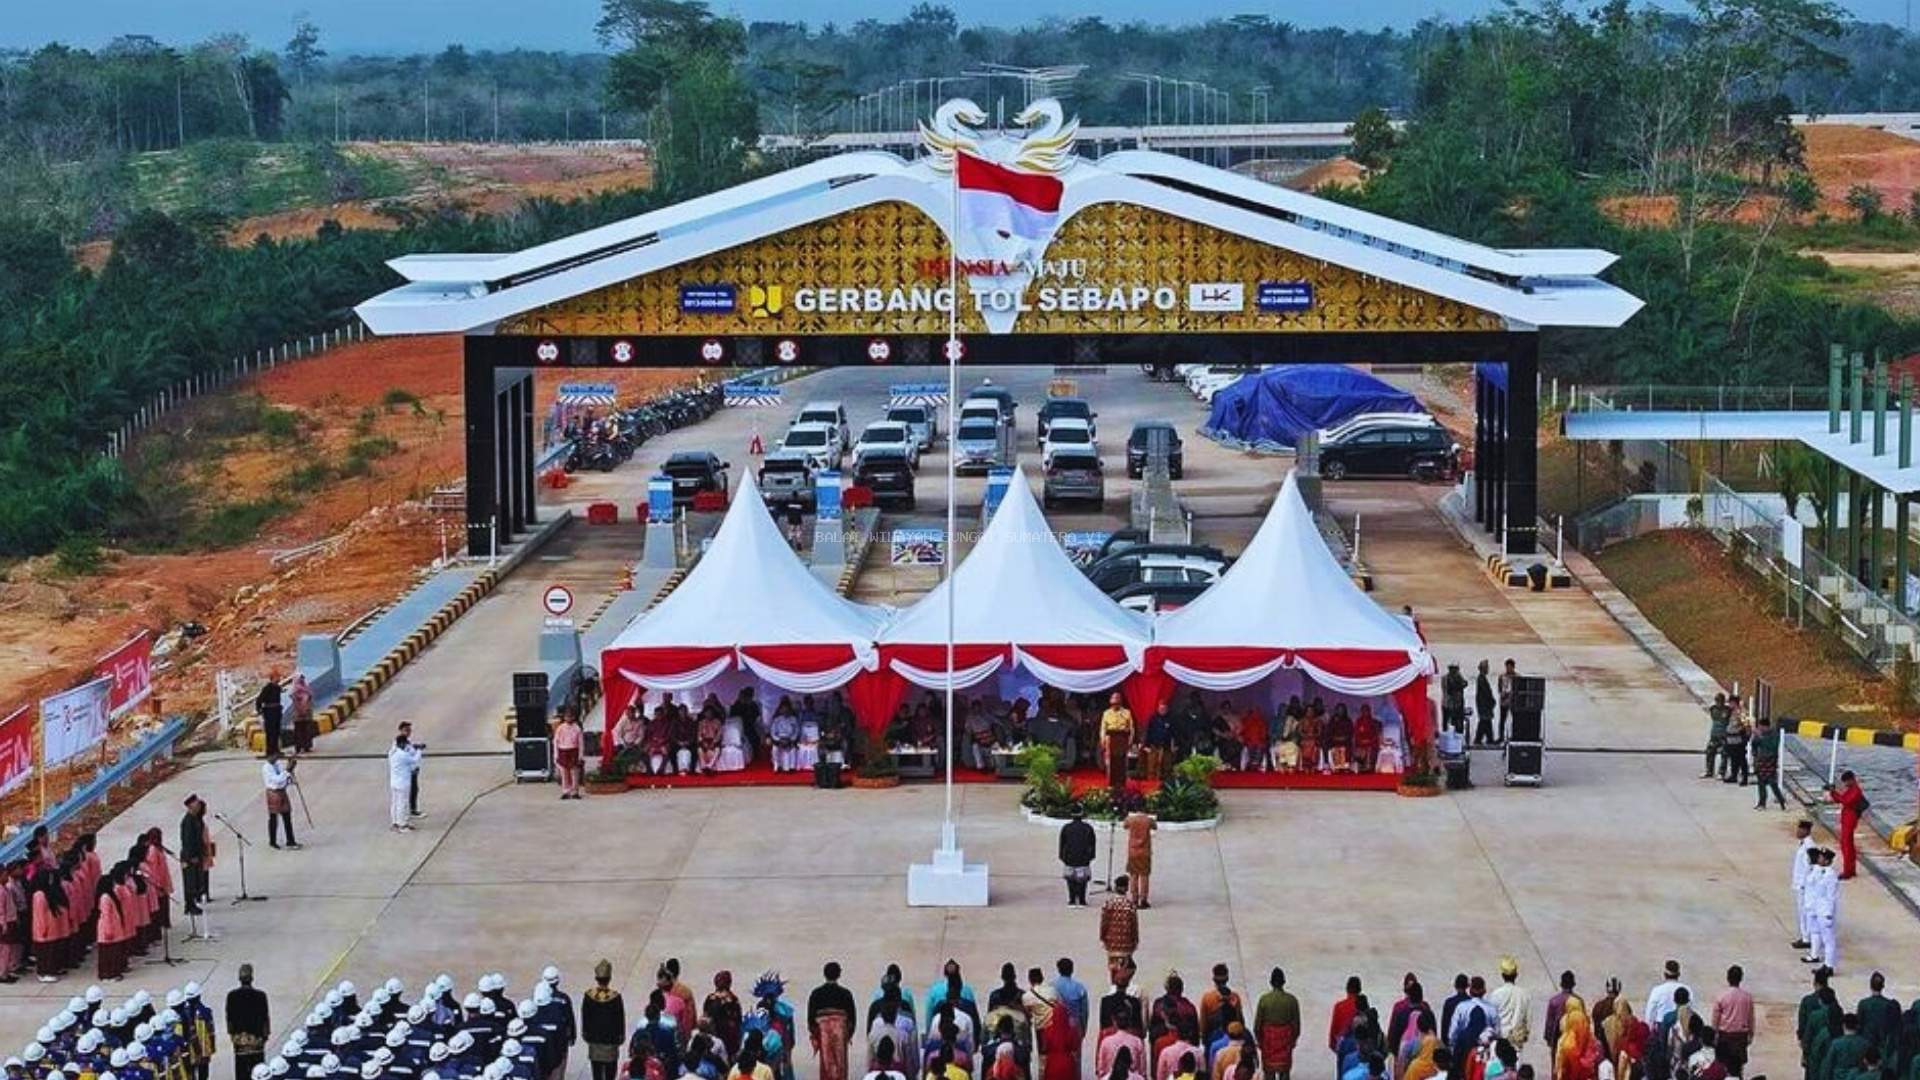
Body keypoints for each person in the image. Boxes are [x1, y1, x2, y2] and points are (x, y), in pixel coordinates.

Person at [809, 963, 858, 1080]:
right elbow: (852, 1019)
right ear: (839, 974)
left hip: (823, 1034)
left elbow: (811, 1020)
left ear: (824, 974)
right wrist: (847, 1035)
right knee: (841, 1065)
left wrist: (817, 1035)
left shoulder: (816, 994)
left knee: (826, 1065)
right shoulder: (846, 994)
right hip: (841, 1033)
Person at [1253, 969, 1299, 1080]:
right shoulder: (1291, 1000)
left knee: (1269, 1073)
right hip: (1285, 1041)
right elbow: (1296, 1025)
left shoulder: (1264, 1000)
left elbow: (1257, 1025)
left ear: (1271, 982)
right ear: (1284, 982)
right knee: (1284, 1073)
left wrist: (1260, 1041)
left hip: (1269, 1042)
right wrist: (1292, 1041)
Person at [227, 963, 269, 1080]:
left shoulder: (232, 996)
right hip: (257, 1041)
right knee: (258, 1072)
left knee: (241, 1071)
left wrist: (234, 1037)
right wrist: (264, 1037)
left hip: (240, 1041)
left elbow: (229, 1020)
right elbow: (265, 1019)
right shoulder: (261, 996)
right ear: (252, 978)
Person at [1710, 967, 1752, 1078]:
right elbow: (1750, 1017)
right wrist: (1751, 1034)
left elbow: (1715, 1019)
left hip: (1725, 1035)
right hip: (1740, 1036)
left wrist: (1714, 1035)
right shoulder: (1747, 997)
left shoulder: (1721, 996)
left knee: (1723, 1066)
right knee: (1739, 1068)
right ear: (1741, 978)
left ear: (1728, 978)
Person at [1805, 848, 1841, 971]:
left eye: (1821, 857)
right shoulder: (1820, 872)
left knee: (1828, 940)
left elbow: (1831, 897)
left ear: (1827, 861)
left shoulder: (1830, 876)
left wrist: (1829, 914)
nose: (1818, 859)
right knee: (1819, 934)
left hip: (1825, 912)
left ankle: (1829, 965)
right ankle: (1823, 962)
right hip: (1818, 909)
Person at [1489, 958, 1532, 1057]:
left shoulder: (1496, 994)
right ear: (1516, 975)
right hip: (1516, 1040)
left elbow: (1491, 1018)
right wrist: (1525, 1035)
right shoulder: (1524, 994)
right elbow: (1528, 1018)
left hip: (1500, 1039)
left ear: (1502, 976)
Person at [1828, 771, 1867, 880]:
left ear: (1851, 779)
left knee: (1846, 846)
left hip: (1850, 819)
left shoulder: (1856, 790)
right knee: (1848, 845)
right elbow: (1841, 799)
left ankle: (1847, 871)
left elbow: (1845, 801)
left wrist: (1834, 793)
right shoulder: (1852, 789)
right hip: (1847, 819)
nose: (1845, 784)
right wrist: (1833, 793)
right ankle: (1851, 869)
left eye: (1846, 781)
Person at [179, 795, 210, 927]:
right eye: (196, 804)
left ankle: (193, 902)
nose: (198, 806)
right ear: (191, 806)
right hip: (190, 856)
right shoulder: (187, 821)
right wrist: (191, 856)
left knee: (196, 880)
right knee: (190, 881)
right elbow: (187, 841)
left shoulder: (196, 819)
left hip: (197, 854)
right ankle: (189, 905)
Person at [1544, 973, 1582, 1075]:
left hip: (1557, 1041)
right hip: (1575, 1043)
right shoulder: (1578, 1001)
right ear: (1573, 985)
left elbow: (1549, 1024)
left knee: (1557, 1070)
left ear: (1561, 984)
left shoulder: (1554, 1001)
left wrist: (1549, 1040)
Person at [1100, 876, 1140, 968]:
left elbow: (1104, 923)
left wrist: (1103, 937)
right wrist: (1135, 940)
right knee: (1125, 968)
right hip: (1126, 942)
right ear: (1127, 888)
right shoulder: (1130, 905)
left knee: (1113, 967)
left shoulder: (1108, 904)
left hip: (1112, 941)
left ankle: (1114, 981)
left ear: (1115, 887)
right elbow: (1134, 925)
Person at [1059, 810, 1096, 908]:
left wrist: (1063, 857)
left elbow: (1062, 844)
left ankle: (1072, 900)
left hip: (1069, 858)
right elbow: (1092, 844)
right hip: (1083, 859)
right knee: (1082, 880)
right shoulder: (1088, 828)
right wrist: (1090, 857)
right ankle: (1082, 900)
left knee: (1070, 880)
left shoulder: (1066, 828)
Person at [261, 755, 299, 850]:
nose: (276, 758)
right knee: (273, 817)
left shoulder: (278, 764)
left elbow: (284, 777)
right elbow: (277, 780)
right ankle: (272, 841)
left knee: (287, 816)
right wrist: (287, 771)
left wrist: (290, 775)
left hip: (282, 791)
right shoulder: (266, 768)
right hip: (273, 793)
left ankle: (290, 840)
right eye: (274, 756)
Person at [388, 730, 423, 832]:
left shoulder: (392, 752)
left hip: (394, 782)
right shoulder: (402, 755)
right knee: (402, 804)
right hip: (403, 783)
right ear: (402, 744)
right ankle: (402, 825)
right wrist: (420, 750)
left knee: (395, 803)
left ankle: (395, 823)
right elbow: (415, 759)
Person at [1792, 819, 1818, 952]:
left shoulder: (1810, 846)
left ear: (1806, 831)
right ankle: (1805, 936)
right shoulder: (1804, 844)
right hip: (1801, 884)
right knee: (1802, 912)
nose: (1797, 831)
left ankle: (1806, 938)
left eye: (1800, 829)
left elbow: (1811, 867)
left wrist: (1804, 884)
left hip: (1805, 885)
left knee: (1804, 912)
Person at [1101, 694, 1135, 793]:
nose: (1115, 701)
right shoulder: (1106, 713)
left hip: (1122, 739)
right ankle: (1111, 784)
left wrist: (1130, 740)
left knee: (1122, 761)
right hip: (1110, 740)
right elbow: (1103, 728)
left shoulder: (1127, 713)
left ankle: (1122, 783)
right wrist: (1102, 739)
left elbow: (1131, 728)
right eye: (1113, 699)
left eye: (1117, 699)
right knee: (1111, 762)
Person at [1751, 717, 1786, 810]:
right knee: (1761, 782)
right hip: (1761, 759)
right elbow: (1754, 745)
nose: (1760, 729)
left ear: (1765, 726)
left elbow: (1772, 747)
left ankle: (1781, 799)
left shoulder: (1774, 734)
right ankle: (1762, 802)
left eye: (1761, 727)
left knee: (1772, 782)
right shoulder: (1759, 734)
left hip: (1770, 760)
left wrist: (1761, 738)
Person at [1123, 811, 1155, 909]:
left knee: (1133, 875)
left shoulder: (1131, 819)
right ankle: (1143, 900)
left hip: (1133, 851)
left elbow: (1124, 825)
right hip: (1145, 852)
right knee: (1144, 876)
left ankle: (1134, 899)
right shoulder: (1149, 820)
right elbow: (1155, 826)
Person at [553, 709, 585, 799]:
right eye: (567, 716)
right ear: (564, 718)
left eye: (570, 716)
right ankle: (565, 791)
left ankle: (575, 792)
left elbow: (581, 743)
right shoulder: (560, 728)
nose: (569, 718)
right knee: (564, 772)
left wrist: (580, 756)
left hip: (573, 751)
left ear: (574, 717)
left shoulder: (577, 728)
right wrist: (556, 755)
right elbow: (556, 742)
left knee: (574, 772)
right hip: (563, 750)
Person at [1644, 963, 1687, 1028]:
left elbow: (1650, 1012)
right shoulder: (1686, 989)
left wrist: (1649, 1028)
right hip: (1682, 1025)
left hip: (1661, 1026)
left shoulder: (1657, 990)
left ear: (1665, 975)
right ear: (1679, 974)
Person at [398, 721, 425, 818]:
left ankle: (411, 809)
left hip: (412, 771)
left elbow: (410, 750)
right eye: (406, 730)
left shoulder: (406, 741)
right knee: (409, 792)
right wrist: (419, 750)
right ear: (400, 730)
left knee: (414, 790)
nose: (408, 732)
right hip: (407, 773)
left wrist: (415, 746)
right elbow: (410, 758)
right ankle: (409, 812)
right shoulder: (401, 743)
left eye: (409, 730)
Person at [255, 674, 285, 759]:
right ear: (272, 678)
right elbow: (259, 700)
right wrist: (259, 710)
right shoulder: (267, 688)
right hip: (269, 713)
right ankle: (270, 751)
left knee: (277, 732)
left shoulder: (278, 688)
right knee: (270, 732)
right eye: (277, 677)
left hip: (277, 712)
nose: (279, 678)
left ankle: (276, 750)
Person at [1702, 694, 1731, 780]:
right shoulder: (1713, 709)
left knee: (1724, 753)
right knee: (1710, 752)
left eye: (1720, 701)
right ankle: (1709, 770)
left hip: (1724, 734)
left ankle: (1721, 772)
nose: (1719, 703)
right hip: (1714, 734)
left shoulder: (1727, 710)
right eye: (1717, 701)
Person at [289, 675, 316, 755]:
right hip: (299, 713)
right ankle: (300, 747)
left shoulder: (305, 688)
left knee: (305, 730)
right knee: (299, 731)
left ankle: (306, 746)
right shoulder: (296, 690)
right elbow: (294, 699)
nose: (302, 680)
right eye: (301, 678)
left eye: (303, 678)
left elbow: (310, 696)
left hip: (305, 713)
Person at [1473, 662, 1497, 746]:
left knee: (1486, 721)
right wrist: (1491, 700)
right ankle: (1480, 738)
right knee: (1484, 721)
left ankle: (1488, 738)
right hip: (1484, 704)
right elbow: (1486, 692)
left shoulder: (1481, 678)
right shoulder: (1481, 679)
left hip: (1484, 704)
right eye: (1487, 668)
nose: (1488, 669)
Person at [1441, 665, 1467, 735]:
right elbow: (1450, 689)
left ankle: (1455, 735)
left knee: (1456, 722)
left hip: (1456, 704)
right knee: (1447, 723)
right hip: (1449, 704)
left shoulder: (1458, 677)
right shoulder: (1447, 678)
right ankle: (1447, 736)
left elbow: (1465, 683)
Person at [1497, 660, 1518, 744]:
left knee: (1515, 720)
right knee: (1502, 720)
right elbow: (1499, 687)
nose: (1508, 669)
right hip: (1504, 701)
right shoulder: (1502, 676)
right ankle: (1501, 737)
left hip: (1513, 701)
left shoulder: (1517, 677)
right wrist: (1502, 694)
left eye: (1510, 667)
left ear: (1513, 667)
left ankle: (1515, 735)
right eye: (1507, 667)